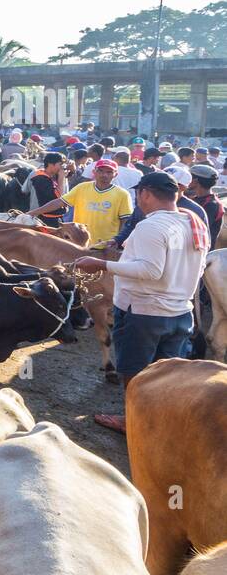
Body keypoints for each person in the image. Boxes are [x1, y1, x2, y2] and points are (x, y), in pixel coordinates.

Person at [77, 172, 211, 435]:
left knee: (135, 372)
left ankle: (134, 422)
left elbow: (150, 271)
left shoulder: (151, 226)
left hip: (145, 312)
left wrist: (101, 263)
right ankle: (159, 419)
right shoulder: (193, 222)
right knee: (166, 374)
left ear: (146, 193)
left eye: (139, 194)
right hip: (179, 311)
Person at [28, 158, 132, 249]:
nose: (104, 175)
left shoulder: (122, 194)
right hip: (79, 245)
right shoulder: (82, 187)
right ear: (94, 172)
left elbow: (125, 221)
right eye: (100, 171)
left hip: (105, 245)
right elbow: (60, 202)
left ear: (115, 175)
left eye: (109, 172)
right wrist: (33, 212)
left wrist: (117, 241)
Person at [26, 152, 66, 227]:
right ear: (51, 164)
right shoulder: (41, 179)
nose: (61, 168)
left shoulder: (52, 176)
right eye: (60, 164)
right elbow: (59, 198)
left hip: (55, 218)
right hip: (47, 219)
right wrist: (61, 178)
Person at [188, 164, 224, 244]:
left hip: (201, 252)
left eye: (189, 177)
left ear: (195, 181)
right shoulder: (196, 199)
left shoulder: (211, 205)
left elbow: (199, 230)